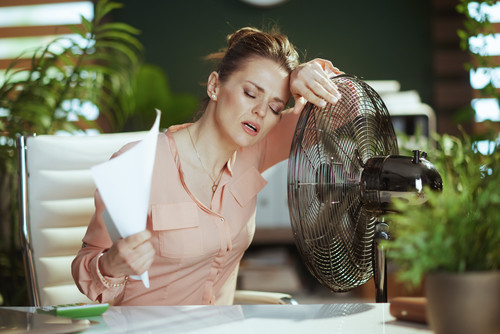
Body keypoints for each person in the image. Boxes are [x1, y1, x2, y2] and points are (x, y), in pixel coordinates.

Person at [72, 26, 342, 305]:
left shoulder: (258, 147)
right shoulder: (136, 165)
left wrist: (308, 74)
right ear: (215, 86)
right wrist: (112, 265)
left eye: (275, 107)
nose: (261, 111)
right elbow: (88, 271)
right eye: (250, 93)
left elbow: (345, 110)